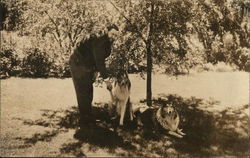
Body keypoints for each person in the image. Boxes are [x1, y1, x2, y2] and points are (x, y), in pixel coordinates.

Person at [69, 25, 119, 138]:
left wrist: (95, 72)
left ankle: (88, 117)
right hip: (77, 63)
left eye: (116, 35)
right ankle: (84, 123)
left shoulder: (107, 41)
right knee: (82, 91)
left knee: (88, 90)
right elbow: (100, 61)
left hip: (87, 65)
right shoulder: (99, 39)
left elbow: (97, 59)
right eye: (112, 34)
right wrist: (107, 81)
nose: (114, 37)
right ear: (107, 31)